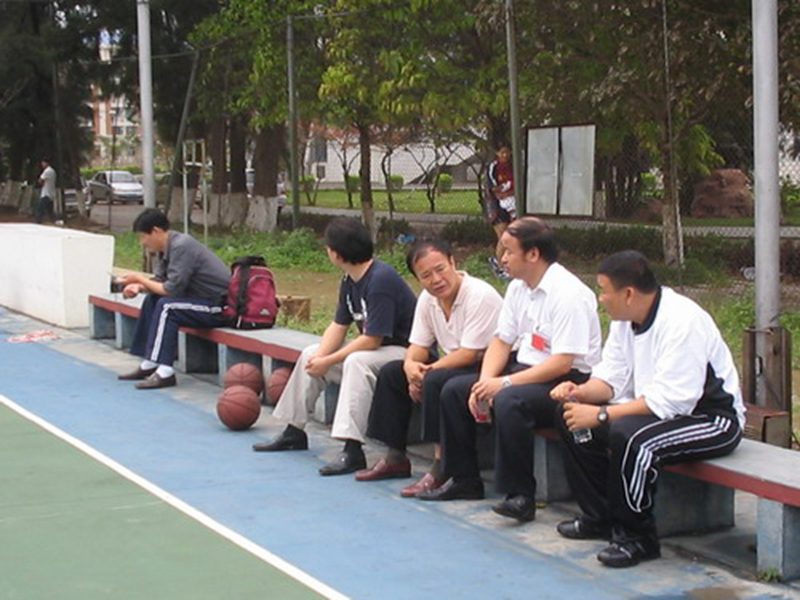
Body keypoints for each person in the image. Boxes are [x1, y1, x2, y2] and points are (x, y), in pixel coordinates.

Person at [550, 250, 745, 568]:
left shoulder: (683, 320)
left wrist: (601, 414)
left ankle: (637, 538)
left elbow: (673, 401)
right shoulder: (624, 322)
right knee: (570, 416)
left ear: (628, 294)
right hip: (659, 412)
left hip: (710, 419)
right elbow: (612, 378)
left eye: (604, 290)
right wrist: (580, 393)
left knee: (632, 438)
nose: (600, 298)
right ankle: (599, 517)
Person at [419, 217, 601, 524]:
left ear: (533, 254)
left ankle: (520, 496)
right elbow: (502, 340)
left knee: (510, 400)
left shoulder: (568, 294)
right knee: (455, 390)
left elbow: (562, 362)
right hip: (527, 370)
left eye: (508, 251)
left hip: (566, 381)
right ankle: (463, 479)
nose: (502, 258)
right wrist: (485, 383)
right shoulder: (518, 288)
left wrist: (503, 384)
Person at [253, 217, 417, 477]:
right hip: (378, 352)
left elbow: (372, 339)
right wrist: (319, 359)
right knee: (310, 353)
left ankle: (352, 449)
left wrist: (329, 361)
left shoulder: (381, 279)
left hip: (407, 353)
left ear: (337, 254)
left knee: (356, 362)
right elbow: (339, 325)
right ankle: (294, 431)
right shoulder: (349, 280)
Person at [356, 239, 504, 497]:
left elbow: (469, 353)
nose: (436, 279)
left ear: (453, 263)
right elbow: (418, 345)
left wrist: (426, 372)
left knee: (436, 380)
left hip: (491, 367)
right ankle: (395, 457)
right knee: (392, 373)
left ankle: (441, 466)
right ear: (417, 279)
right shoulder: (428, 299)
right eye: (426, 275)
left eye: (440, 269)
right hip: (455, 364)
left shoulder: (479, 295)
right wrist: (410, 367)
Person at [116, 209, 231, 389]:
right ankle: (150, 362)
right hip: (199, 301)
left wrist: (139, 279)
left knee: (167, 307)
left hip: (219, 306)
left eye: (143, 236)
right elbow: (160, 281)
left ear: (156, 231)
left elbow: (171, 290)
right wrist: (138, 287)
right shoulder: (167, 248)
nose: (142, 242)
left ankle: (165, 372)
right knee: (152, 300)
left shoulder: (182, 246)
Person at [484, 146, 516, 281]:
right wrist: (502, 193)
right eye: (502, 152)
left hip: (511, 203)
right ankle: (499, 266)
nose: (505, 155)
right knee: (503, 236)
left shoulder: (513, 166)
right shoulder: (493, 167)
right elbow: (493, 189)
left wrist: (510, 192)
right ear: (497, 153)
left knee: (511, 233)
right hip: (496, 205)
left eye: (507, 152)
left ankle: (506, 266)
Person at [36, 158, 56, 223]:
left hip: (46, 194)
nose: (42, 164)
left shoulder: (47, 171)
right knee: (50, 210)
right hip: (51, 193)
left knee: (40, 208)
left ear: (46, 163)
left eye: (43, 163)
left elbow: (40, 180)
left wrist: (41, 182)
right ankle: (52, 221)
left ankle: (39, 221)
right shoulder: (52, 171)